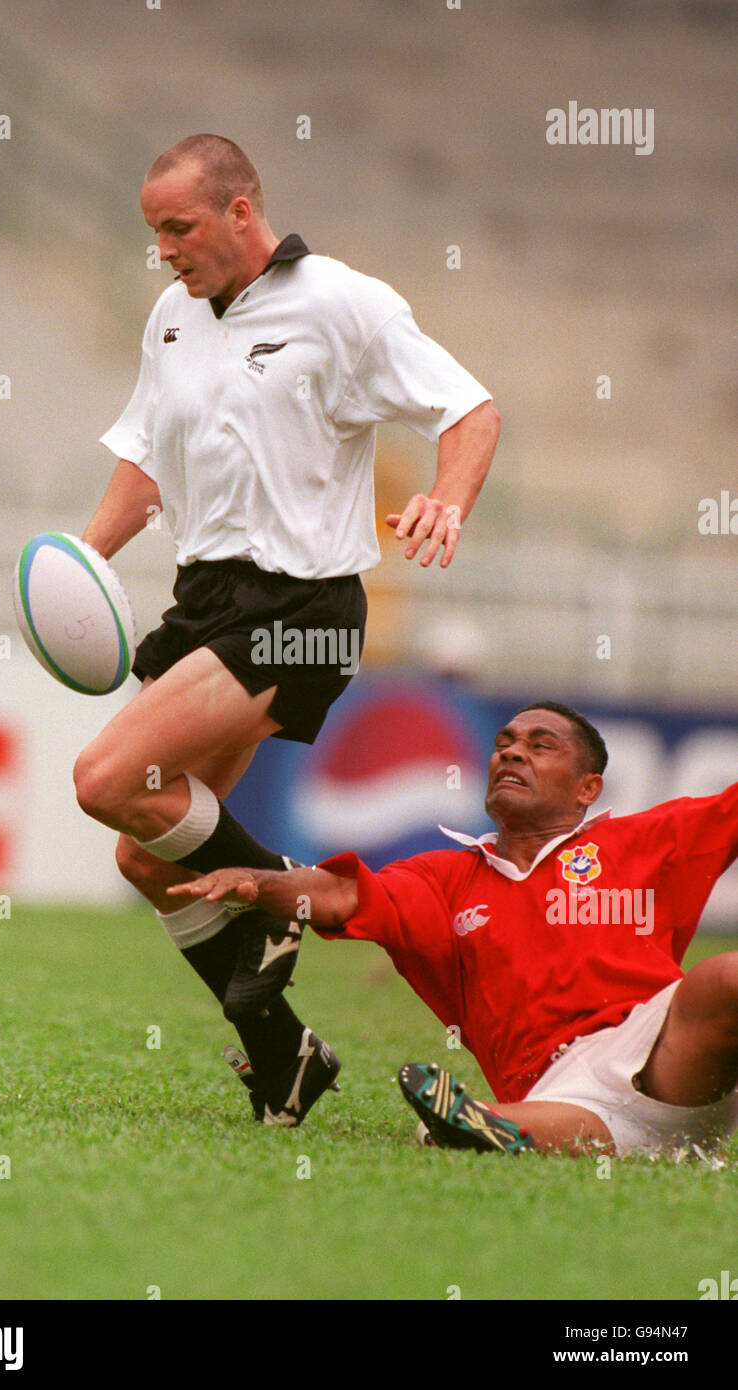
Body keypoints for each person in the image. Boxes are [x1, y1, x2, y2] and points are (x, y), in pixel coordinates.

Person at [72, 133, 501, 1125]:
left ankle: (278, 895)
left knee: (104, 780)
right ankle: (286, 1054)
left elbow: (468, 408)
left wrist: (446, 497)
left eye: (176, 227)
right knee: (147, 855)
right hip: (206, 604)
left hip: (300, 608)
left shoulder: (342, 303)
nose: (164, 250)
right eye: (152, 231)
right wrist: (84, 560)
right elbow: (142, 455)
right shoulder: (172, 318)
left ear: (240, 209)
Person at [170, 701, 738, 1159]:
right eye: (504, 744)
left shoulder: (645, 841)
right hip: (559, 1093)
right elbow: (343, 895)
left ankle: (480, 1129)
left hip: (662, 1054)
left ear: (588, 789)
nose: (513, 753)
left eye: (540, 746)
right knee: (471, 1127)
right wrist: (261, 882)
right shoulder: (443, 879)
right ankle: (485, 1129)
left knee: (726, 980)